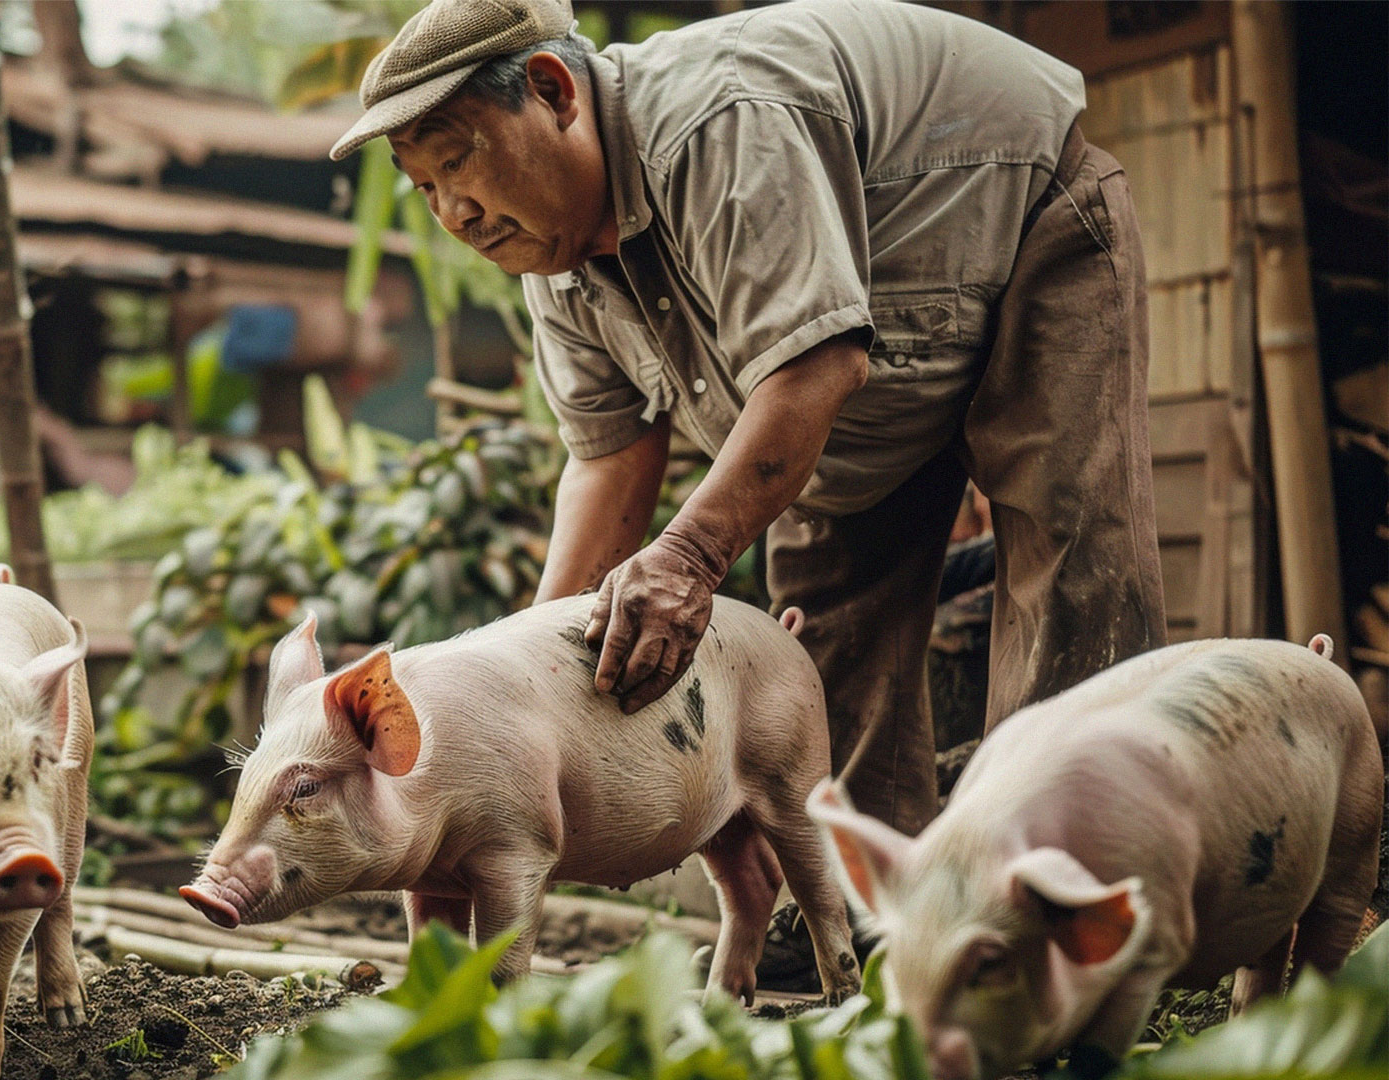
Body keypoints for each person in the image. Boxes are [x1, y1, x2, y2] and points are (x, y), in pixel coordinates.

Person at [329, 0, 1165, 837]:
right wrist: (518, 676)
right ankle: (859, 898)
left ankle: (1071, 884)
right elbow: (610, 458)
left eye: (457, 161)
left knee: (1069, 589)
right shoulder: (554, 260)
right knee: (825, 661)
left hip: (1027, 222)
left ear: (553, 92)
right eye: (425, 187)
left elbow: (815, 366)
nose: (453, 213)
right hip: (863, 366)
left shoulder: (718, 123)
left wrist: (689, 556)